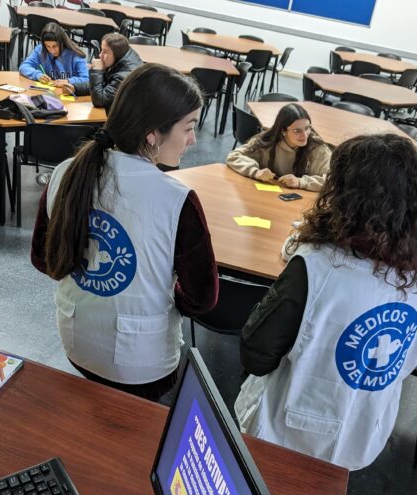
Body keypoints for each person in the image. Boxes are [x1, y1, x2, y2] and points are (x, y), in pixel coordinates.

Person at [234, 133, 417, 471]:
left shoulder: (316, 266)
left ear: (346, 196)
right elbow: (410, 357)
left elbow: (257, 355)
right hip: (363, 428)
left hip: (286, 436)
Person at [30, 64, 218, 401]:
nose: (193, 139)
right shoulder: (177, 200)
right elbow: (201, 298)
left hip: (77, 342)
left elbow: (43, 260)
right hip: (142, 365)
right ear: (152, 134)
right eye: (188, 127)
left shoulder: (64, 173)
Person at [226, 103, 331, 192]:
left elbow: (333, 180)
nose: (305, 135)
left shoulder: (317, 148)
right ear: (283, 131)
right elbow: (234, 156)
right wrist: (255, 172)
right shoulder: (266, 142)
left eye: (308, 128)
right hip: (267, 197)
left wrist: (301, 182)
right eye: (297, 131)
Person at [19, 23, 89, 96]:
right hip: (51, 94)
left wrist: (68, 81)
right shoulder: (40, 50)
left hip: (71, 96)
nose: (52, 50)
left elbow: (87, 80)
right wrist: (37, 75)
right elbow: (23, 67)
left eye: (55, 46)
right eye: (48, 46)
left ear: (62, 42)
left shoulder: (75, 54)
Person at [89, 33, 143, 110]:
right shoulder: (120, 59)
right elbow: (103, 83)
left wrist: (97, 71)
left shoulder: (123, 76)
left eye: (105, 52)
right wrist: (75, 88)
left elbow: (100, 100)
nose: (100, 55)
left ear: (116, 54)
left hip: (126, 118)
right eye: (101, 50)